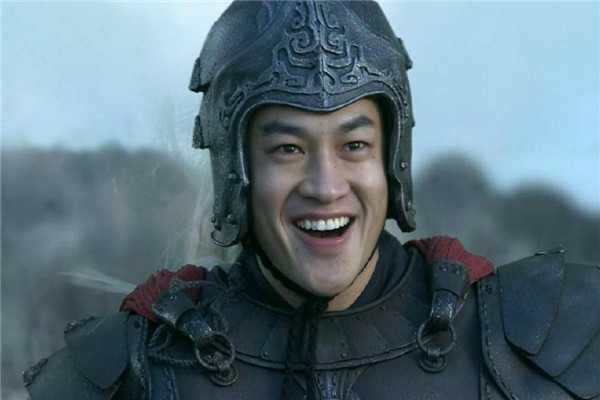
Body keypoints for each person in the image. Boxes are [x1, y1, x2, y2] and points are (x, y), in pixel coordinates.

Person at [23, 1, 599, 399]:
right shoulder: (132, 367)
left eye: (354, 145)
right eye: (288, 150)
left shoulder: (529, 336)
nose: (326, 186)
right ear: (238, 170)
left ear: (391, 159)